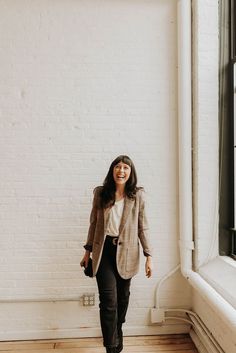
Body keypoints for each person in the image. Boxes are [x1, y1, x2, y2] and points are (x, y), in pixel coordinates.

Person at [80, 155, 153, 353]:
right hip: (104, 251)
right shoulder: (101, 193)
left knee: (122, 299)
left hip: (127, 253)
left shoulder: (137, 196)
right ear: (112, 170)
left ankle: (118, 328)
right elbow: (94, 224)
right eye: (117, 167)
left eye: (125, 168)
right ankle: (111, 347)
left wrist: (149, 255)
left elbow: (142, 227)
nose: (121, 171)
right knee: (108, 301)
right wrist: (87, 253)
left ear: (130, 173)